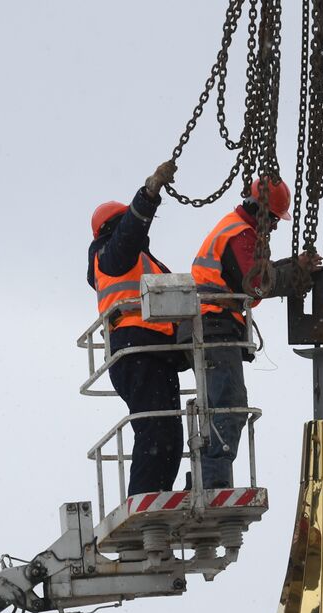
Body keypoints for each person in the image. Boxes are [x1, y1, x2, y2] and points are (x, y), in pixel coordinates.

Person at [189, 177, 321, 488]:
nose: (274, 226)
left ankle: (205, 478)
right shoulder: (241, 235)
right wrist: (297, 273)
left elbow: (255, 275)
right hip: (215, 326)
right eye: (274, 218)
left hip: (207, 325)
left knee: (219, 404)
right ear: (261, 212)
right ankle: (213, 482)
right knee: (229, 403)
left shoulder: (234, 228)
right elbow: (257, 283)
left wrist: (292, 265)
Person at [88, 160, 182, 496]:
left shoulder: (137, 262)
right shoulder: (112, 255)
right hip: (137, 351)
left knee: (168, 431)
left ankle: (157, 493)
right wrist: (149, 193)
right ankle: (145, 496)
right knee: (155, 429)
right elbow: (130, 231)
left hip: (152, 352)